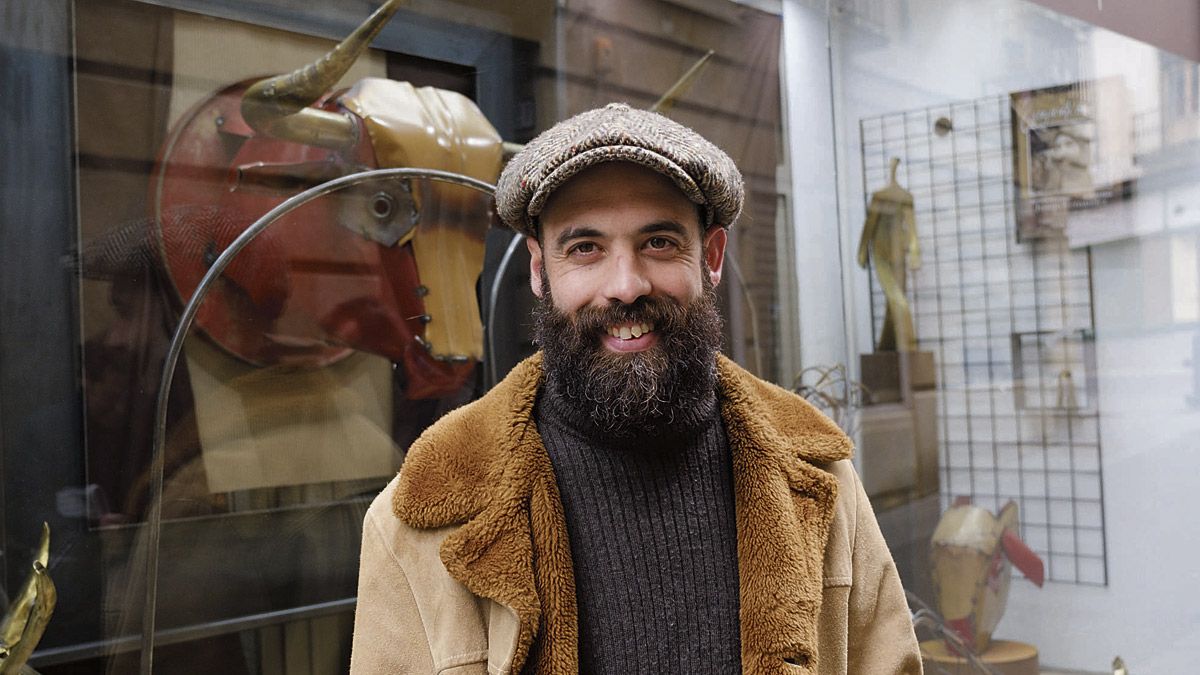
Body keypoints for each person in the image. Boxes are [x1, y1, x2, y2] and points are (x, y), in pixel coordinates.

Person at [349, 103, 922, 674]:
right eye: (585, 249)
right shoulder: (419, 521)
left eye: (659, 243)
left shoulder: (822, 482)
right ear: (539, 269)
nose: (625, 286)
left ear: (712, 255)